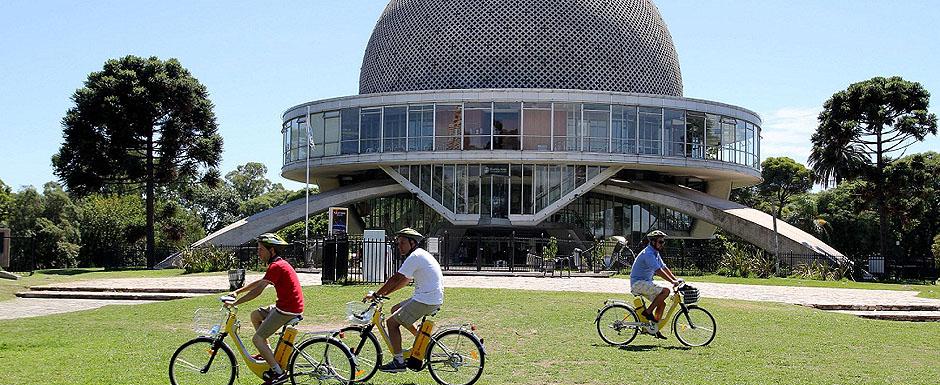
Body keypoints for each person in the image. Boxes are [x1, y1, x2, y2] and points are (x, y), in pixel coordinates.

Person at [226, 233, 304, 385]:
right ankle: (266, 354)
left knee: (257, 339)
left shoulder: (276, 266)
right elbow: (261, 281)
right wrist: (237, 292)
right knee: (255, 315)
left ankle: (278, 373)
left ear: (272, 251)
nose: (258, 252)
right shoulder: (277, 264)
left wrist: (236, 303)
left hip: (287, 310)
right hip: (287, 305)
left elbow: (258, 290)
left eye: (261, 249)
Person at [364, 227, 444, 373]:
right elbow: (404, 281)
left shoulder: (415, 257)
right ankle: (421, 341)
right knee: (395, 310)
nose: (399, 246)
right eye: (398, 243)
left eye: (402, 243)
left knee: (391, 323)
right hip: (428, 297)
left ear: (412, 243)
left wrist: (376, 295)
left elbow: (396, 278)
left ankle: (398, 361)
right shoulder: (419, 255)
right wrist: (383, 294)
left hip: (426, 299)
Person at [629, 230, 683, 339]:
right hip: (638, 283)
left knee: (662, 304)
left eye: (663, 242)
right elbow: (658, 271)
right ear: (653, 242)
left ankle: (654, 328)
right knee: (666, 291)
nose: (662, 244)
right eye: (660, 242)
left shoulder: (655, 253)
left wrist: (675, 279)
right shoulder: (648, 254)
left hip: (645, 282)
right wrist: (672, 282)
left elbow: (664, 267)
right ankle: (648, 312)